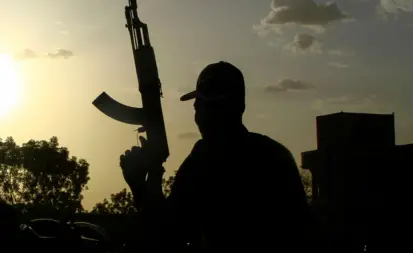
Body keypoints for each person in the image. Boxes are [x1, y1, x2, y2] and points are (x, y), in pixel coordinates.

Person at [120, 61, 310, 250]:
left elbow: (164, 235)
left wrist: (144, 180)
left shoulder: (203, 161)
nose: (197, 117)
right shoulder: (276, 156)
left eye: (200, 107)